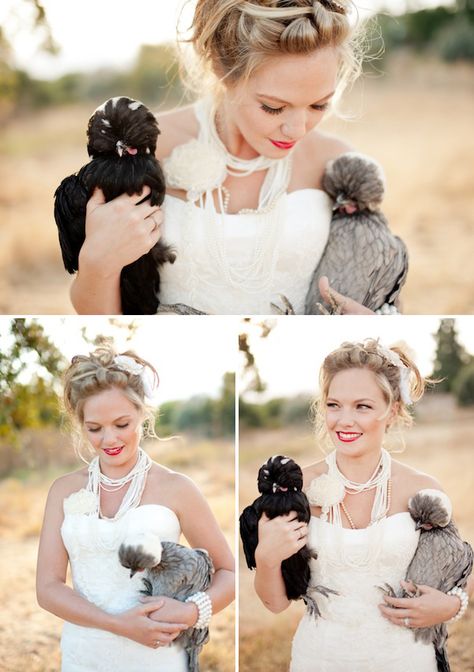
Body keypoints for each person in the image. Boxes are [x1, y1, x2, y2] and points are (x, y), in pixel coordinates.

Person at [70, 0, 381, 315]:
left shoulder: (340, 166)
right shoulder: (140, 149)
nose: (297, 129)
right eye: (273, 106)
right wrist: (98, 264)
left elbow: (377, 288)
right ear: (222, 69)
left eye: (319, 105)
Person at [253, 339, 473, 671]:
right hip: (319, 659)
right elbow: (275, 603)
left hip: (407, 660)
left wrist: (452, 605)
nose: (344, 420)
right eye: (334, 405)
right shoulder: (293, 490)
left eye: (363, 406)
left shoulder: (423, 489)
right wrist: (266, 559)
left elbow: (461, 563)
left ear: (393, 410)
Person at [36, 345, 235, 672]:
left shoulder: (178, 488)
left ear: (142, 414)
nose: (109, 439)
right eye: (95, 428)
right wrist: (117, 623)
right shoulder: (63, 490)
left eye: (122, 424)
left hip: (158, 658)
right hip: (84, 655)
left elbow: (228, 573)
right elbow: (48, 588)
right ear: (80, 424)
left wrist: (192, 612)